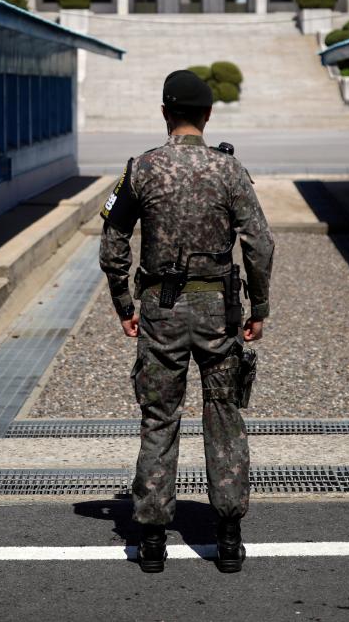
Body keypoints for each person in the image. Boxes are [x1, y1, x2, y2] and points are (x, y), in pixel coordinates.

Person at [99, 70, 275, 574]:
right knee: (224, 415)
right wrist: (258, 308)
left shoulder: (141, 169)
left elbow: (112, 243)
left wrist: (124, 306)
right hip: (219, 312)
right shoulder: (229, 170)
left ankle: (152, 537)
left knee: (159, 417)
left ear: (164, 113)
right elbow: (260, 243)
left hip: (159, 311)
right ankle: (227, 535)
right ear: (208, 115)